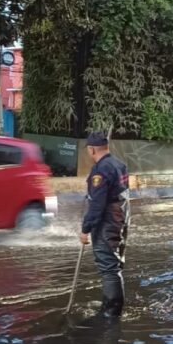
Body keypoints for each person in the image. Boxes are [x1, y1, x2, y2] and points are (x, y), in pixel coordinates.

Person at [78, 132, 130, 318]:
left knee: (108, 266)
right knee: (114, 264)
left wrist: (86, 229)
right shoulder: (119, 165)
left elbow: (97, 204)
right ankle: (112, 303)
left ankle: (111, 310)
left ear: (91, 149)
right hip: (121, 217)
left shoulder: (100, 171)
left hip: (107, 221)